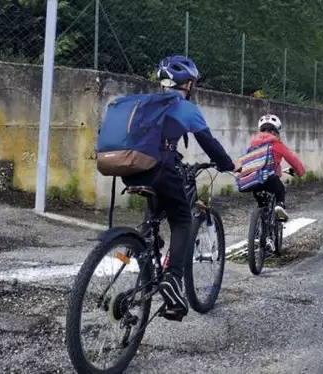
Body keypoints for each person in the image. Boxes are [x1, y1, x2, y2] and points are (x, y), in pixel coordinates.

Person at [121, 55, 239, 322]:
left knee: (152, 220)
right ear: (187, 84)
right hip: (162, 168)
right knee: (182, 220)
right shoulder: (184, 107)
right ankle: (173, 281)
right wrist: (228, 165)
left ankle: (140, 260)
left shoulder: (144, 103)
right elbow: (209, 143)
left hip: (131, 168)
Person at [247, 114, 305, 222]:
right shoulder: (277, 145)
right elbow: (292, 159)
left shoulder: (252, 145)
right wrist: (300, 171)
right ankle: (280, 206)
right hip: (271, 179)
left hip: (254, 181)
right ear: (276, 132)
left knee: (261, 205)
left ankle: (257, 229)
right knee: (280, 189)